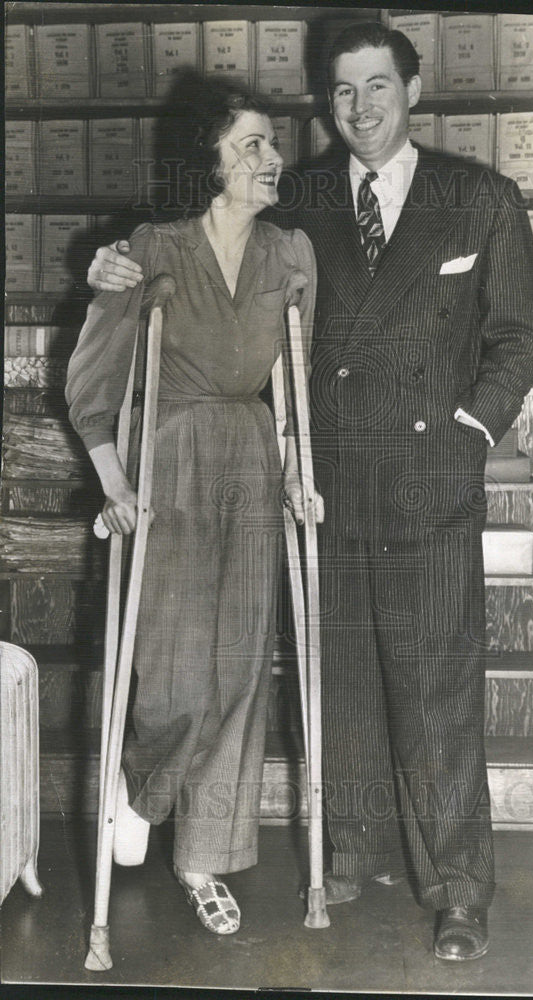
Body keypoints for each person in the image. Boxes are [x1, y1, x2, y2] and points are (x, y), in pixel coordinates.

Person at [85, 22, 533, 961]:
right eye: (342, 93)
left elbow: (519, 338)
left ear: (413, 92)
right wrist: (105, 265)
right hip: (320, 479)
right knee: (337, 682)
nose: (361, 108)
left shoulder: (479, 199)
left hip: (422, 479)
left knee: (436, 691)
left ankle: (456, 887)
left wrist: (469, 434)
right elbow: (190, 238)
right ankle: (348, 852)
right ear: (326, 105)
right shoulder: (298, 208)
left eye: (379, 87)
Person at [67, 81, 321, 936]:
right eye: (250, 145)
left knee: (243, 668)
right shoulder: (151, 248)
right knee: (176, 673)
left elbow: (293, 389)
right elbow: (93, 383)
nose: (270, 158)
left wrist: (295, 472)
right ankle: (142, 785)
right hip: (170, 462)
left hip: (252, 459)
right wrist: (115, 484)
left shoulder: (291, 255)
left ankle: (205, 855)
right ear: (208, 161)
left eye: (272, 144)